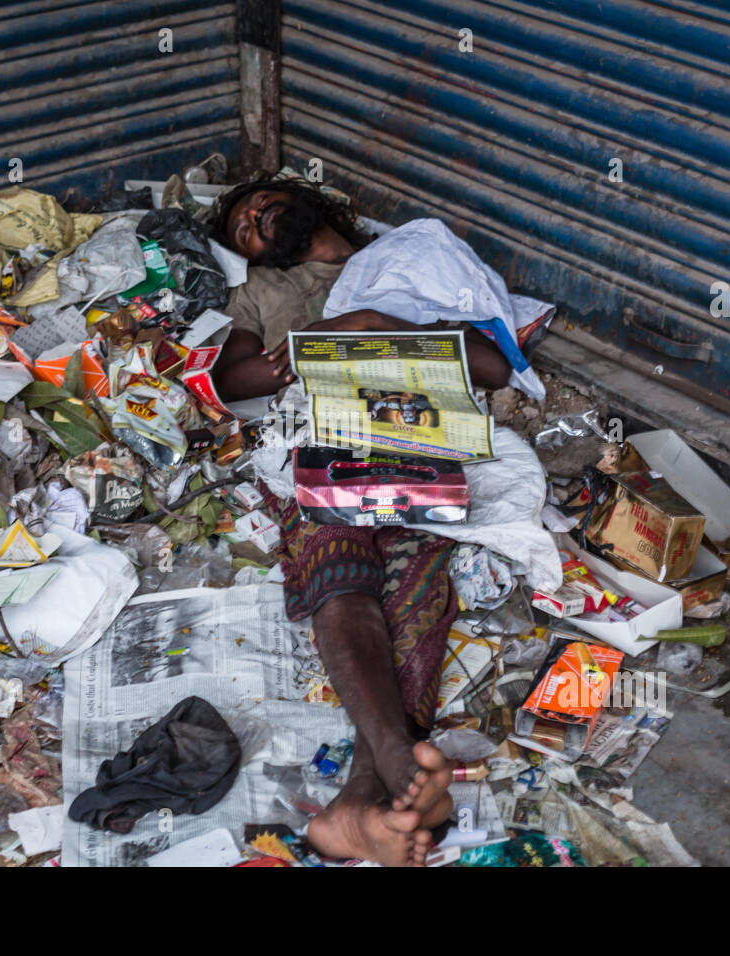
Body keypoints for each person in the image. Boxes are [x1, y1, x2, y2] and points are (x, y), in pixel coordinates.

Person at [209, 177, 513, 866]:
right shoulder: (261, 294)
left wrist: (374, 327)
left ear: (305, 198)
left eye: (258, 204)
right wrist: (316, 348)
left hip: (424, 442)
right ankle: (385, 783)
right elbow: (234, 379)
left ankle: (360, 802)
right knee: (340, 572)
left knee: (418, 589)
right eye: (243, 230)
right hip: (323, 442)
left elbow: (494, 365)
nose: (254, 219)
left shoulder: (409, 261)